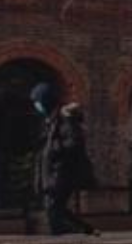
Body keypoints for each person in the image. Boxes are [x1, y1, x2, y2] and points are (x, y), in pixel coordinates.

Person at [31, 84, 97, 237]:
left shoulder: (65, 119)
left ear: (45, 101)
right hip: (52, 175)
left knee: (53, 210)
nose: (36, 106)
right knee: (55, 209)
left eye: (37, 101)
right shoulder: (49, 121)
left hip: (61, 173)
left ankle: (76, 233)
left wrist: (53, 149)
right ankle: (87, 231)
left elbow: (74, 142)